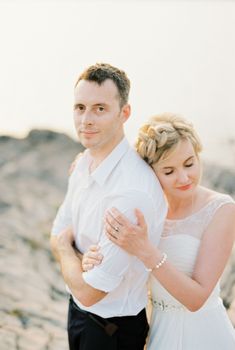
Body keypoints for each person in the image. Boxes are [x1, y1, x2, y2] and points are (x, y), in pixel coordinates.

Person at [82, 113, 235, 350]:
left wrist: (144, 251)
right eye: (169, 171)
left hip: (205, 334)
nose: (184, 177)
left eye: (189, 163)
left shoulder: (222, 209)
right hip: (158, 332)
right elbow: (127, 271)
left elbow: (197, 299)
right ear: (151, 171)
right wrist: (93, 257)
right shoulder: (147, 209)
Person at [50, 63, 167, 350]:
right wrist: (77, 255)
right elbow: (57, 232)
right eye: (80, 107)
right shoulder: (83, 165)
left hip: (113, 331)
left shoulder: (131, 192)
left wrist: (67, 249)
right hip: (76, 314)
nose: (86, 120)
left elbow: (91, 292)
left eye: (100, 108)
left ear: (124, 113)